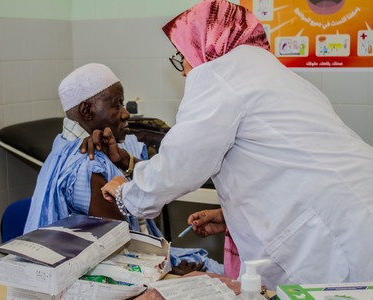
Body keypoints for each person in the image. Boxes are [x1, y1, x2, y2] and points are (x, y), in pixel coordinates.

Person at [84, 0, 373, 289]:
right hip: (356, 210)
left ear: (206, 41)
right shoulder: (271, 73)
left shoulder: (218, 74)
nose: (184, 69)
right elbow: (287, 164)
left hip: (332, 232)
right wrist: (231, 216)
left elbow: (181, 163)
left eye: (181, 54)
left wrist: (127, 194)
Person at [23, 63, 222, 274]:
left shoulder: (94, 146)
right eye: (117, 105)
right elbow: (125, 247)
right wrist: (170, 270)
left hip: (145, 257)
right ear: (86, 111)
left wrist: (124, 161)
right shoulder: (87, 165)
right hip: (131, 267)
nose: (126, 114)